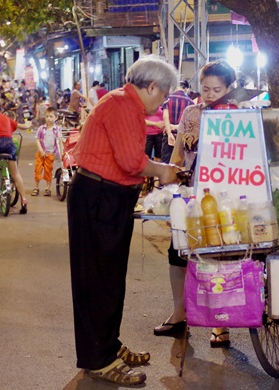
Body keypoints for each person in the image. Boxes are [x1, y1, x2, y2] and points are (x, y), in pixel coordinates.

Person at [67, 55, 180, 386]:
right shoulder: (121, 104)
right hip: (98, 197)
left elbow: (130, 157)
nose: (163, 103)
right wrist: (162, 170)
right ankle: (97, 359)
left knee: (110, 279)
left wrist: (156, 169)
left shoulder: (125, 104)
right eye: (164, 95)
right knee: (97, 281)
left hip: (107, 197)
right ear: (151, 86)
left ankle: (109, 345)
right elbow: (131, 161)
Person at [154, 60, 236, 348]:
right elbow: (178, 157)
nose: (211, 94)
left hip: (225, 201)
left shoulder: (238, 116)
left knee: (217, 258)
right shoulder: (190, 113)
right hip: (190, 197)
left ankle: (220, 323)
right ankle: (180, 314)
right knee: (178, 253)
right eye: (206, 88)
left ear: (229, 89)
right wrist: (168, 184)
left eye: (217, 89)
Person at [0, 100, 32, 214]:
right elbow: (21, 126)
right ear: (0, 108)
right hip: (9, 144)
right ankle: (23, 200)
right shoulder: (6, 118)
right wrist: (28, 124)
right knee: (15, 173)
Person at [161, 79, 194, 163]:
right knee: (179, 164)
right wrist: (177, 127)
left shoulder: (168, 98)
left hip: (169, 134)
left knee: (166, 163)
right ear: (186, 89)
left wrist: (169, 134)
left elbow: (165, 116)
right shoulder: (191, 102)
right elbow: (189, 122)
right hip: (182, 136)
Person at [32, 107, 62, 197]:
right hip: (40, 153)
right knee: (38, 169)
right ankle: (36, 188)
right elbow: (37, 139)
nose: (48, 118)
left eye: (51, 116)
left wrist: (62, 150)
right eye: (47, 116)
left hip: (50, 154)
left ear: (56, 118)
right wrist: (41, 150)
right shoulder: (41, 128)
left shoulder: (57, 129)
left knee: (48, 171)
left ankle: (47, 188)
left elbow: (60, 140)